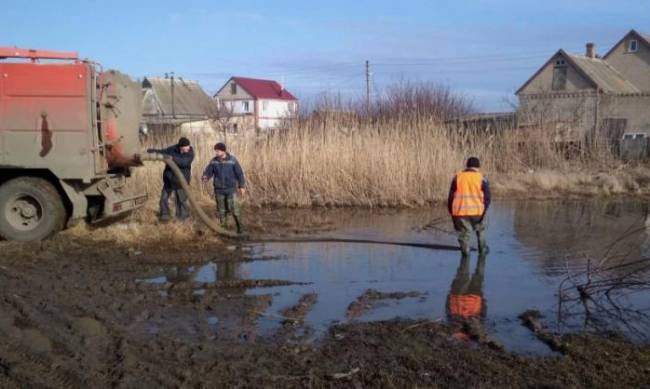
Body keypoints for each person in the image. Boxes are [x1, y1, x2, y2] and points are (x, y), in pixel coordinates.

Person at [448, 157, 491, 256]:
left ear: (467, 166)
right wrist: (484, 209)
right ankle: (483, 250)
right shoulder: (482, 178)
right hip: (478, 212)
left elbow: (451, 197)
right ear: (478, 167)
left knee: (464, 234)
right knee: (481, 231)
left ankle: (465, 255)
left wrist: (451, 211)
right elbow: (488, 197)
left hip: (460, 212)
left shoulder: (457, 177)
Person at [201, 142, 246, 234]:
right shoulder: (213, 161)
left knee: (234, 209)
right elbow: (208, 171)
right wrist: (205, 176)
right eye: (215, 151)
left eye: (218, 151)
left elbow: (240, 174)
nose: (216, 153)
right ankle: (223, 230)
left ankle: (240, 230)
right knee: (221, 211)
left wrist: (241, 186)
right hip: (218, 190)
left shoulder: (233, 160)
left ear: (223, 151)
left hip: (231, 189)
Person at [147, 137, 195, 221]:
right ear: (180, 146)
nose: (188, 148)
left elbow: (184, 162)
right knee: (163, 199)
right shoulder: (172, 149)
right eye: (185, 147)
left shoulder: (190, 153)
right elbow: (162, 152)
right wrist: (151, 151)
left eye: (188, 146)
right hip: (169, 180)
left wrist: (172, 158)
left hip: (181, 181)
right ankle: (164, 216)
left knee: (181, 201)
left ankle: (182, 218)